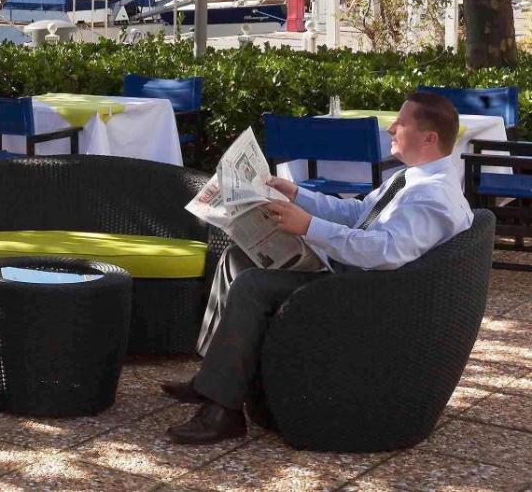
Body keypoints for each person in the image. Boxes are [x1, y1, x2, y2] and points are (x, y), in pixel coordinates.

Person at [164, 91, 473, 445]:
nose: (390, 128)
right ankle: (212, 380)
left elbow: (383, 251)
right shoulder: (412, 179)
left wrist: (309, 227)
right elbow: (359, 212)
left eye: (400, 123)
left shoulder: (432, 196)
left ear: (429, 138)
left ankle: (224, 411)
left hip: (366, 294)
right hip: (356, 275)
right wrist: (297, 195)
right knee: (236, 257)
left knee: (252, 285)